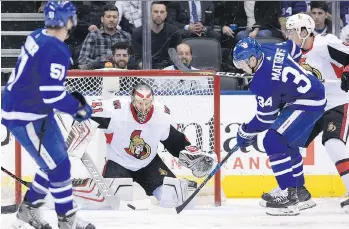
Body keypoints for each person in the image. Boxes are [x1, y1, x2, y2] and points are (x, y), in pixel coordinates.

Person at [1, 2, 94, 229]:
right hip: (27, 115)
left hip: (31, 109)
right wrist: (77, 108)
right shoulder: (56, 49)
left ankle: (28, 210)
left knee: (54, 162)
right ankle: (66, 218)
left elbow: (41, 80)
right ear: (67, 21)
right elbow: (51, 95)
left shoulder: (38, 34)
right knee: (59, 167)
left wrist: (68, 99)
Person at [262, 13, 349, 213]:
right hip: (311, 107)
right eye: (287, 31)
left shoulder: (324, 44)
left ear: (304, 31)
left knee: (333, 142)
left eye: (292, 31)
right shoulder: (289, 55)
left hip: (337, 102)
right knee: (287, 142)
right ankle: (298, 191)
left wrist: (347, 71)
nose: (288, 35)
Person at [233, 37, 326, 216]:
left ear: (252, 60)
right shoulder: (268, 49)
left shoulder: (262, 83)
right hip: (309, 94)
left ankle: (288, 197)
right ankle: (300, 193)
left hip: (308, 102)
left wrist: (245, 131)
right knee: (287, 144)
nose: (240, 68)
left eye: (242, 63)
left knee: (273, 140)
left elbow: (265, 119)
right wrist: (288, 84)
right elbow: (294, 49)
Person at [86, 82, 217, 208]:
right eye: (140, 103)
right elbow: (85, 112)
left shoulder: (160, 115)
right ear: (132, 100)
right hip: (118, 163)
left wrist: (191, 153)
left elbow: (173, 140)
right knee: (115, 200)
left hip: (148, 164)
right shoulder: (116, 110)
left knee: (173, 196)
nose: (144, 108)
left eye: (147, 103)